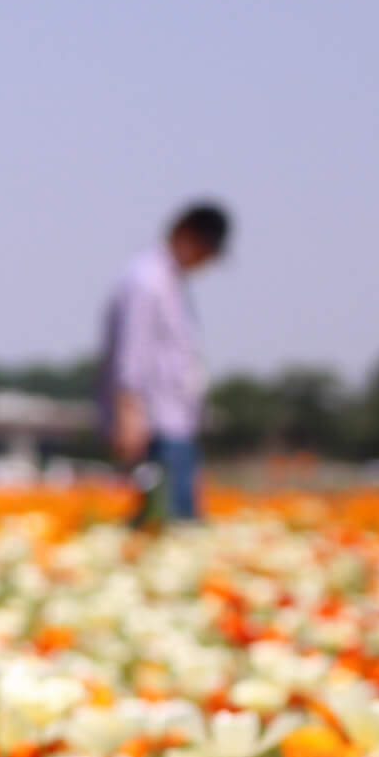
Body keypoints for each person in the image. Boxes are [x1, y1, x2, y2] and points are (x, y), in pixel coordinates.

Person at [97, 201, 232, 526]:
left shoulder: (168, 280)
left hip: (174, 420)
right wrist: (128, 410)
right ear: (186, 234)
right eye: (207, 250)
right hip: (155, 421)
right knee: (166, 520)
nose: (207, 262)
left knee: (177, 517)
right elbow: (132, 348)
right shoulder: (146, 279)